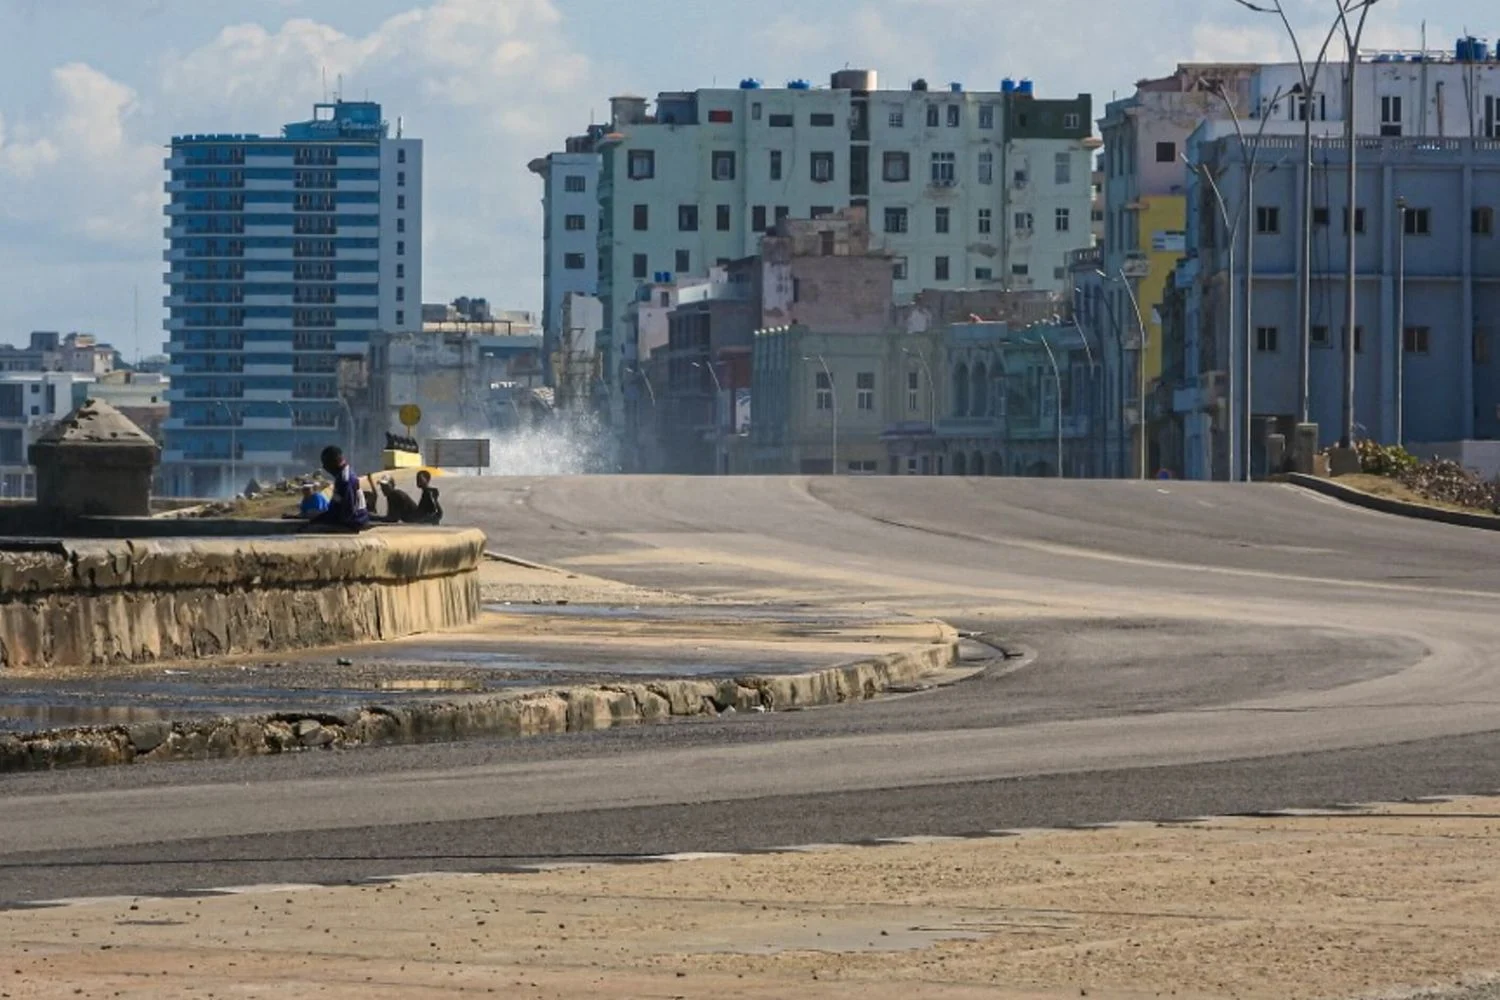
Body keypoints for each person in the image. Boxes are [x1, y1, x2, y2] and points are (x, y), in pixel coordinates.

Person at [303, 446, 370, 531]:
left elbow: (348, 512)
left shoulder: (346, 480)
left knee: (308, 529)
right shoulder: (341, 476)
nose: (324, 467)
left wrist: (325, 521)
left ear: (334, 462)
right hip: (346, 520)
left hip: (354, 522)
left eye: (325, 463)